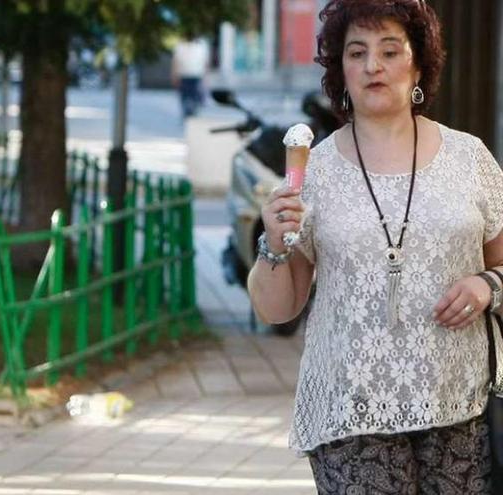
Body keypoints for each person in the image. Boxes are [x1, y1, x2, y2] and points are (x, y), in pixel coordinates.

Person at [248, 0, 501, 493]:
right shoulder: (314, 172)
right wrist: (274, 244)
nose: (372, 66)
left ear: (420, 63)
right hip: (349, 408)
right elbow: (278, 309)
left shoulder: (470, 157)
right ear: (340, 70)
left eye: (389, 50)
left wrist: (486, 284)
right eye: (356, 53)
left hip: (460, 405)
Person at [171, 32, 209, 120]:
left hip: (191, 75)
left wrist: (174, 75)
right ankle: (189, 114)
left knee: (189, 97)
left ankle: (190, 114)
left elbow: (175, 62)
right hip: (191, 75)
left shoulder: (199, 46)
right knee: (189, 97)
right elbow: (205, 64)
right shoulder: (199, 46)